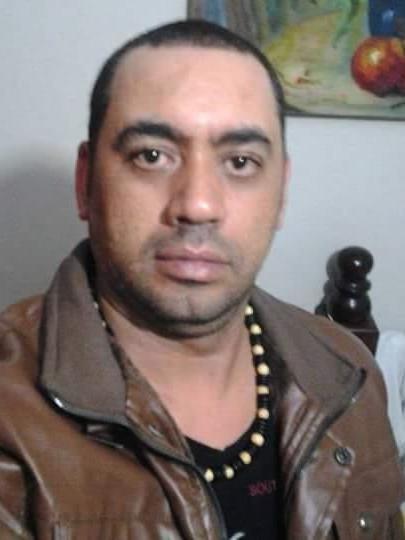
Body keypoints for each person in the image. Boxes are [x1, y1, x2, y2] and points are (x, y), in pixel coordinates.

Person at [0, 19, 403, 540]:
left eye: (240, 161)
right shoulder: (11, 414)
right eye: (151, 155)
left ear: (281, 192)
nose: (198, 204)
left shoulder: (351, 372)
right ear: (86, 183)